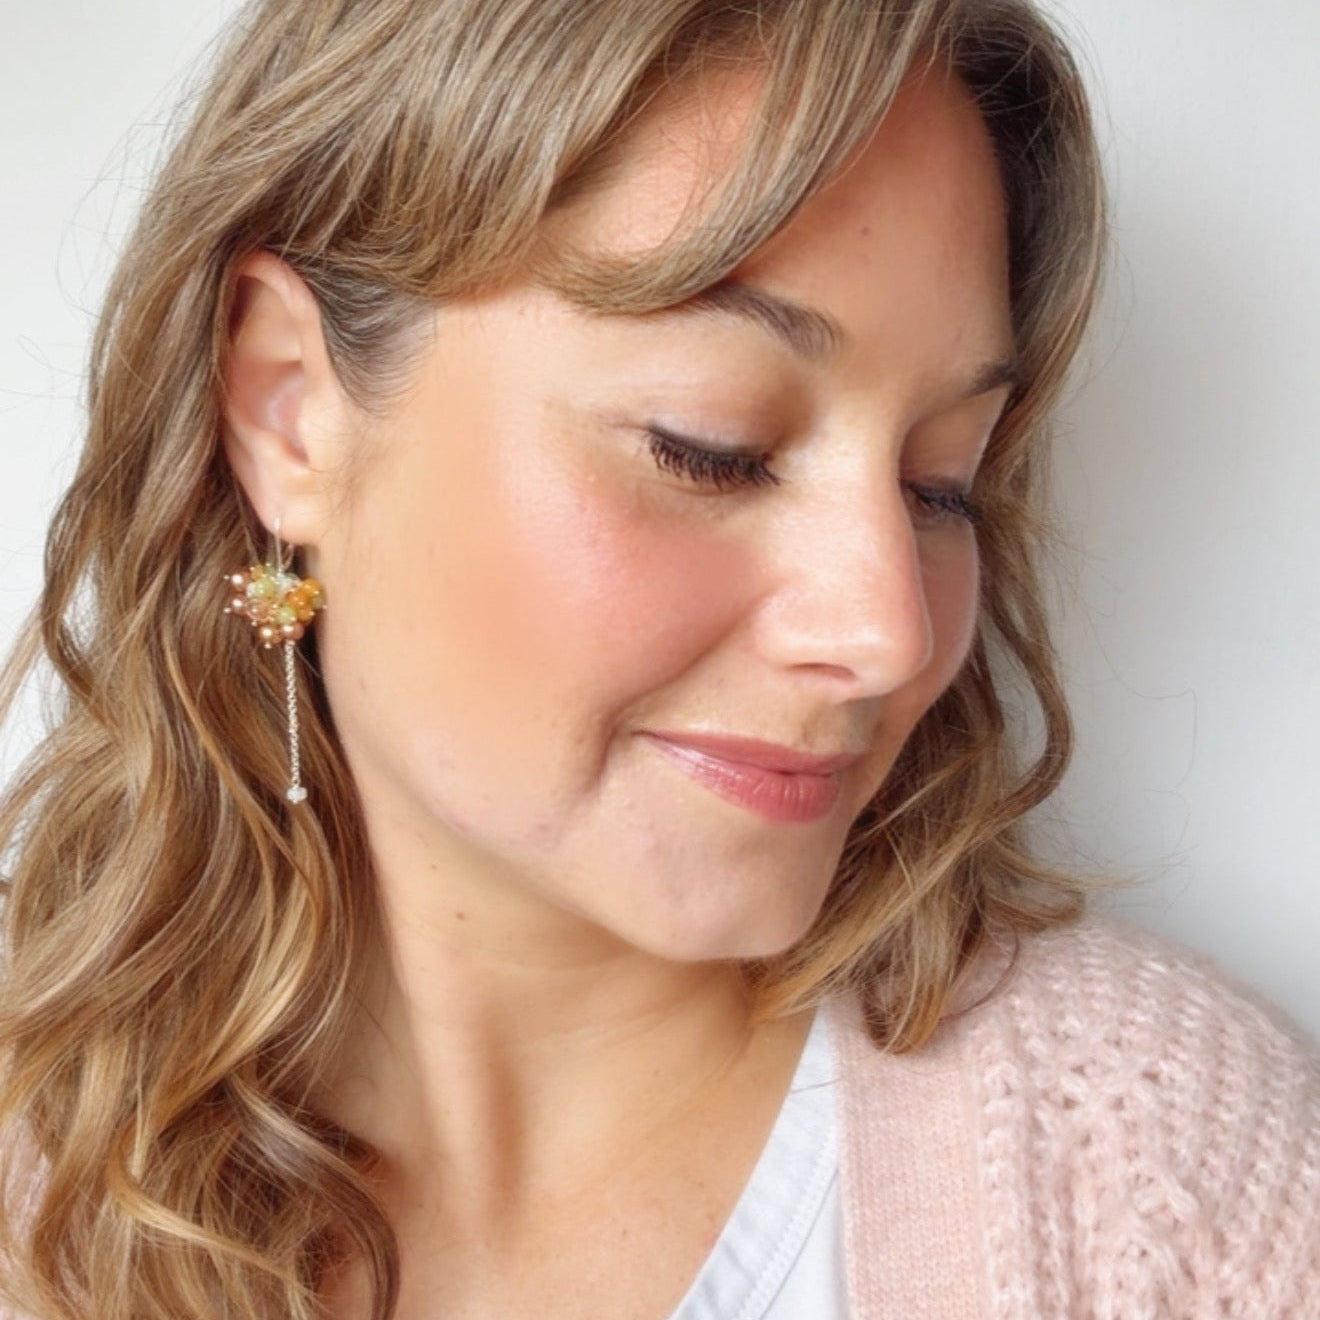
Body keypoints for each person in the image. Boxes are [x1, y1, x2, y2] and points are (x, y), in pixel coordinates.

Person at [1, 0, 1317, 1317]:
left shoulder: (1164, 1175)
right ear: (290, 407)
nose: (887, 633)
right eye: (712, 447)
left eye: (941, 486)